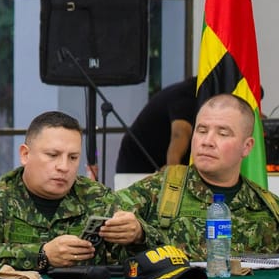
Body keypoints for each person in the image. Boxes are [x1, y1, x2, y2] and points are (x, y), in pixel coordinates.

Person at [0, 110, 147, 273]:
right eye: (52, 155)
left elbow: (143, 261)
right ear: (25, 155)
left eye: (73, 157)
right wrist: (40, 255)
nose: (64, 167)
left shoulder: (98, 198)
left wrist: (138, 236)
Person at [117, 93, 279, 259]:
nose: (207, 141)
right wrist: (136, 231)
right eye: (201, 130)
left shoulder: (269, 209)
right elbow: (103, 213)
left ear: (247, 147)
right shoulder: (158, 190)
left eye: (222, 134)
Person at [115, 77, 198, 174]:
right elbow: (180, 134)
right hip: (138, 162)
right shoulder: (187, 93)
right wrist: (172, 174)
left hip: (163, 160)